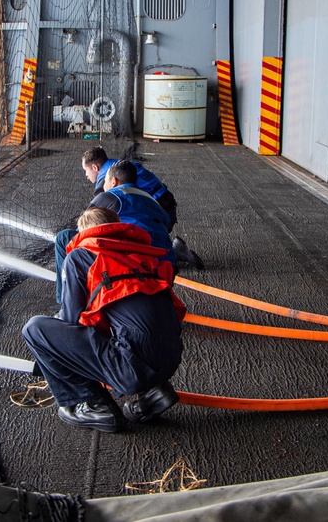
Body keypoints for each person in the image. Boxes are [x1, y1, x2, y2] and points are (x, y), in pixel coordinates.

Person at [22, 207, 185, 432]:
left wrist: (55, 346)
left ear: (85, 233)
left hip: (132, 368)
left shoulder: (80, 255)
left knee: (35, 329)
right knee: (129, 325)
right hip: (171, 359)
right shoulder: (143, 254)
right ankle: (153, 393)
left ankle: (91, 405)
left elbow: (72, 320)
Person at [55, 160, 177, 305]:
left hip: (131, 263)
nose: (103, 185)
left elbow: (82, 230)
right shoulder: (153, 201)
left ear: (114, 181)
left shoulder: (110, 196)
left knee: (64, 238)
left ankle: (65, 303)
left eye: (105, 180)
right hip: (166, 267)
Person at [81, 147, 203, 269]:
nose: (86, 175)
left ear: (95, 168)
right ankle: (169, 249)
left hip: (153, 216)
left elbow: (92, 217)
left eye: (86, 170)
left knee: (105, 223)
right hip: (165, 211)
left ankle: (165, 250)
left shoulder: (108, 178)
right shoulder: (123, 166)